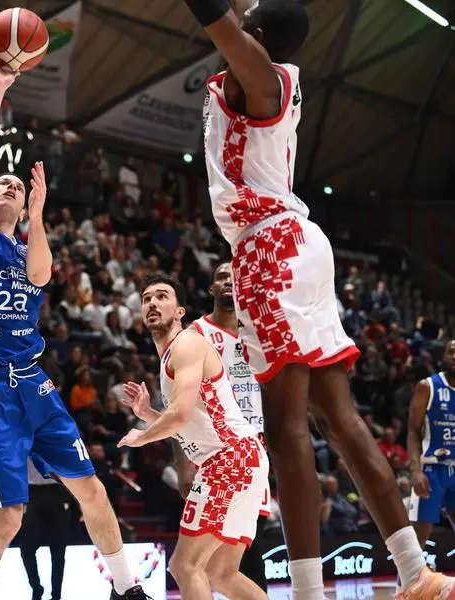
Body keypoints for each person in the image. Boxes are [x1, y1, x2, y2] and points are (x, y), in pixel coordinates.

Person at [182, 0, 449, 597]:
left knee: (286, 425)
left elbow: (213, 14)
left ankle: (306, 591)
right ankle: (416, 573)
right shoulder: (268, 71)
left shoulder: (258, 71)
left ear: (256, 32)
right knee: (338, 417)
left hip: (269, 249)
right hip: (296, 244)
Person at [0, 47, 146, 600]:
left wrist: (38, 212)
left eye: (19, 185)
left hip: (34, 382)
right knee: (8, 519)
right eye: (2, 184)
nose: (11, 185)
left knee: (94, 491)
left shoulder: (28, 244)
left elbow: (43, 273)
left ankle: (127, 591)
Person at [119, 274, 268, 600]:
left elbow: (181, 416)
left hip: (229, 458)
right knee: (221, 573)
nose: (153, 303)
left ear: (180, 311)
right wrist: (148, 414)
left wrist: (142, 436)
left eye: (162, 297)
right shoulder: (171, 356)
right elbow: (190, 423)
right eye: (146, 299)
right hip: (243, 457)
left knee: (185, 566)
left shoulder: (186, 344)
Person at [183, 262, 267, 590]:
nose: (229, 282)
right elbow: (181, 404)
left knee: (208, 566)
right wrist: (183, 463)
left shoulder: (258, 340)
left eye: (235, 278)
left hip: (249, 455)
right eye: (221, 277)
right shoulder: (196, 335)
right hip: (213, 455)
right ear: (211, 289)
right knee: (210, 569)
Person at [408, 340, 455, 547]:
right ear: (444, 356)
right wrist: (416, 471)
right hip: (431, 468)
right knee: (419, 537)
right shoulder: (427, 386)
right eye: (451, 352)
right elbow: (412, 431)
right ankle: (408, 578)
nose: (454, 357)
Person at [19, 462, 75, 600]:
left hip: (58, 491)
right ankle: (36, 588)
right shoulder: (22, 440)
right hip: (32, 492)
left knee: (58, 549)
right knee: (26, 548)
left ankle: (56, 594)